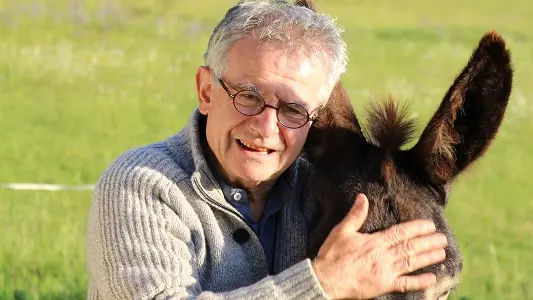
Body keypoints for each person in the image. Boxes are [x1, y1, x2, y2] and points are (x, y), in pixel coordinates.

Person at [86, 1, 448, 299]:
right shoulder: (140, 184)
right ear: (206, 92)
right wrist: (322, 284)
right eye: (248, 96)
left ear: (316, 118)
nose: (265, 127)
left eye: (293, 110)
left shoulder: (322, 188)